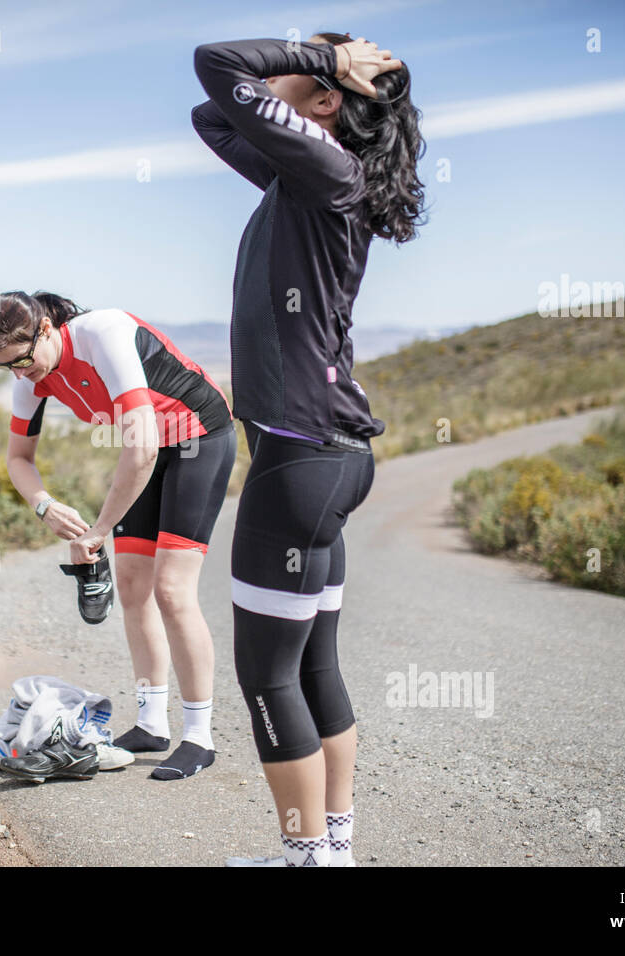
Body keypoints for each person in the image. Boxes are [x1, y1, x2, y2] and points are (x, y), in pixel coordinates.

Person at [191, 33, 425, 864]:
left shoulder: (324, 173)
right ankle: (332, 851)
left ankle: (305, 859)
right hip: (326, 459)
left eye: (318, 71)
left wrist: (322, 64)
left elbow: (214, 63)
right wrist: (316, 81)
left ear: (328, 100)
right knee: (314, 669)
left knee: (268, 679)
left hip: (301, 460)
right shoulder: (312, 175)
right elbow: (213, 112)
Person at [0, 292, 236, 779]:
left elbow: (142, 446)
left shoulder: (103, 333)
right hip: (147, 448)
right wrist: (45, 506)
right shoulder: (31, 376)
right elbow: (18, 459)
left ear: (44, 330)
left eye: (21, 361)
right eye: (6, 368)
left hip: (196, 436)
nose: (20, 373)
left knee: (171, 590)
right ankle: (150, 723)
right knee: (131, 586)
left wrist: (98, 531)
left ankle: (199, 736)